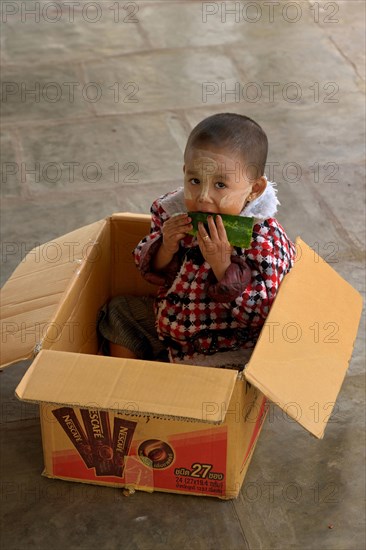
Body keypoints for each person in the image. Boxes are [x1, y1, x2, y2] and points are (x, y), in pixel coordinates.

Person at [98, 113, 296, 369]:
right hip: (172, 323)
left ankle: (177, 385)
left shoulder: (264, 239)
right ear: (184, 172)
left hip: (227, 345)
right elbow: (149, 269)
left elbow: (262, 313)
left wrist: (222, 266)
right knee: (120, 311)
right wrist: (165, 246)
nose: (203, 197)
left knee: (236, 374)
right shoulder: (172, 212)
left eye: (220, 185)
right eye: (195, 181)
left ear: (254, 189)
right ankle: (121, 384)